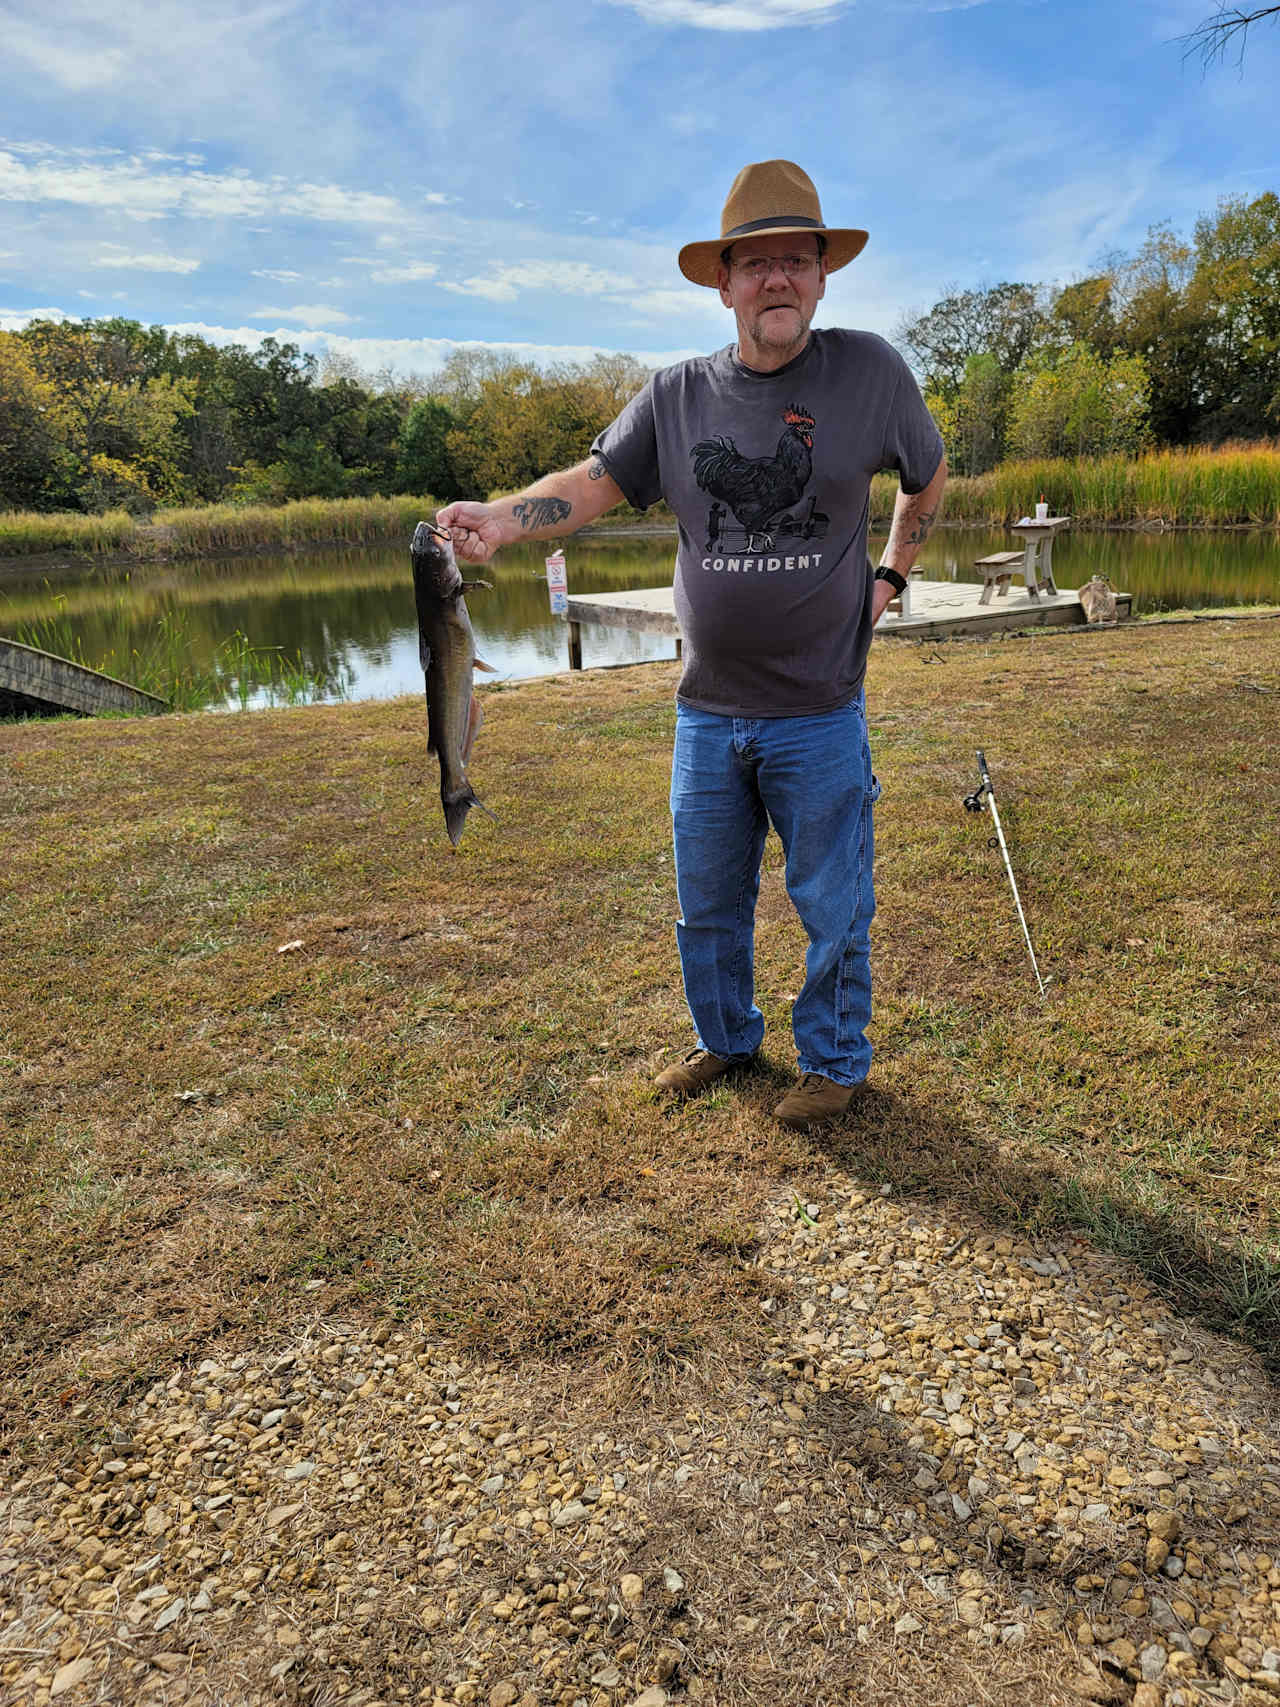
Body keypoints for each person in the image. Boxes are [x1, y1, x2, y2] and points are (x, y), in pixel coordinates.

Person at [438, 159, 946, 1131]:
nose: (776, 280)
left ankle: (834, 1064)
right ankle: (726, 1039)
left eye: (794, 259)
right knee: (705, 902)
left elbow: (927, 478)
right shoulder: (674, 399)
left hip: (818, 708)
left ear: (821, 274)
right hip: (706, 711)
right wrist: (501, 520)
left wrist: (890, 576)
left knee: (831, 903)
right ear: (722, 282)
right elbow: (589, 484)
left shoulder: (870, 373)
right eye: (754, 264)